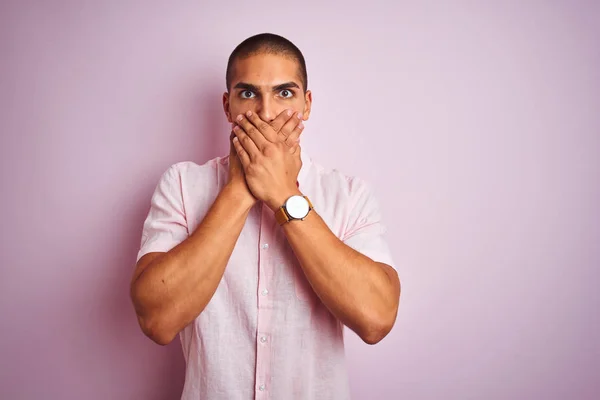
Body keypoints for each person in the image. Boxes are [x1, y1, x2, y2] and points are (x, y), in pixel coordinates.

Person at [130, 32, 401, 400]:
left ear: (307, 104)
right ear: (227, 107)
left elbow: (376, 318)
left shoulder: (349, 196)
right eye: (248, 93)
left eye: (284, 93)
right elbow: (156, 320)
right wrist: (240, 190)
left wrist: (284, 195)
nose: (266, 113)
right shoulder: (181, 185)